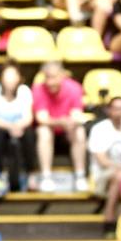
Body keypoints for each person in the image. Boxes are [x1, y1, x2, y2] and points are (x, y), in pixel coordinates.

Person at [33, 61, 89, 192]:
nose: (50, 82)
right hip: (50, 131)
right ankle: (46, 177)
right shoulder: (38, 89)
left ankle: (80, 176)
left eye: (53, 77)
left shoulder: (74, 88)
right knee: (43, 131)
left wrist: (68, 123)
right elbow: (42, 119)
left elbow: (76, 115)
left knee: (79, 131)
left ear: (62, 76)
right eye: (47, 77)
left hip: (67, 131)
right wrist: (61, 122)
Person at [0, 64, 36, 192]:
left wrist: (17, 126)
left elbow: (28, 117)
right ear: (1, 78)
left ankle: (31, 174)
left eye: (13, 76)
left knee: (29, 133)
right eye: (7, 76)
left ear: (19, 78)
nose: (10, 80)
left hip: (19, 128)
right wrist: (10, 127)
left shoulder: (24, 91)